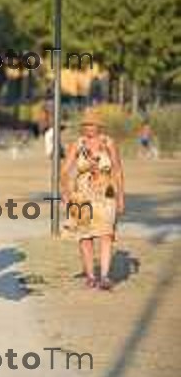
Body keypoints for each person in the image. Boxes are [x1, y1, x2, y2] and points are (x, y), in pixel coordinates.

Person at [61, 109, 125, 290]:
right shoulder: (77, 144)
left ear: (99, 126)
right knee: (85, 236)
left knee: (106, 234)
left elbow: (118, 171)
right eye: (86, 125)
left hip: (106, 193)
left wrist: (121, 197)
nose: (89, 128)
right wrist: (65, 192)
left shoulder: (109, 143)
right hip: (81, 195)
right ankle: (90, 275)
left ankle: (104, 276)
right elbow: (64, 170)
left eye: (92, 125)